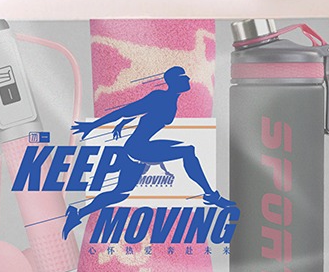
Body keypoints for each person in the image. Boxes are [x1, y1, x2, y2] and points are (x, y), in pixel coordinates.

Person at [62, 66, 235, 239]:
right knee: (187, 151)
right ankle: (211, 195)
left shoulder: (169, 99)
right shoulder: (160, 98)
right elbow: (125, 110)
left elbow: (140, 112)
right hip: (139, 148)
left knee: (120, 193)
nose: (188, 79)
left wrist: (123, 123)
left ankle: (78, 213)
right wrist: (93, 126)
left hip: (138, 148)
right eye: (183, 77)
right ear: (173, 82)